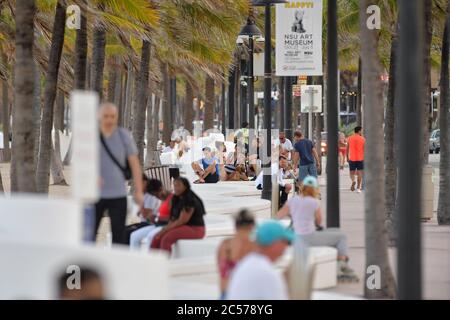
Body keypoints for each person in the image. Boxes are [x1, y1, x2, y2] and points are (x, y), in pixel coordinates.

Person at [276, 176, 359, 282]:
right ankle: (341, 264)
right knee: (341, 236)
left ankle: (340, 263)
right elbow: (319, 222)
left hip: (295, 236)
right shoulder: (314, 202)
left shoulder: (292, 201)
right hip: (309, 237)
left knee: (335, 232)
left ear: (303, 187)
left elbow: (278, 216)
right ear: (315, 188)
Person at [95, 103, 143, 244]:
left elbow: (135, 165)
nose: (109, 120)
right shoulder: (92, 136)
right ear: (99, 116)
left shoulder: (123, 136)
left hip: (118, 194)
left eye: (113, 116)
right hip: (95, 195)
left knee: (119, 236)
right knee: (89, 234)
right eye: (106, 116)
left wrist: (139, 191)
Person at [226, 220, 294, 300]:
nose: (286, 247)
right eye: (286, 242)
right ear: (275, 243)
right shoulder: (266, 272)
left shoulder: (247, 262)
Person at [151, 177, 206, 253]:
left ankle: (165, 263)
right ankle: (154, 261)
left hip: (195, 228)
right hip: (183, 227)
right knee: (156, 237)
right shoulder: (176, 199)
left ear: (185, 186)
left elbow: (182, 221)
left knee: (166, 238)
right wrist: (163, 230)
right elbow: (172, 218)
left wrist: (165, 229)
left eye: (178, 185)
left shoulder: (190, 200)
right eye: (174, 186)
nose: (176, 188)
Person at [217, 210, 256, 299]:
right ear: (252, 226)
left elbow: (221, 271)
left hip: (226, 294)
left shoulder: (224, 245)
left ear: (235, 225)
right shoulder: (254, 247)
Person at [128, 179, 166, 249]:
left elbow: (146, 216)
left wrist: (140, 203)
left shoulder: (152, 197)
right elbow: (140, 214)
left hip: (151, 224)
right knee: (128, 232)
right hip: (154, 223)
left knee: (128, 232)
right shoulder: (149, 195)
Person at [347, 126, 365, 193]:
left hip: (352, 158)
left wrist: (347, 156)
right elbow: (364, 149)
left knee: (351, 173)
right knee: (360, 173)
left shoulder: (350, 138)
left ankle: (353, 181)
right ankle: (358, 188)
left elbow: (347, 148)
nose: (362, 132)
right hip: (360, 158)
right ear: (359, 131)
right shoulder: (363, 139)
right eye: (361, 130)